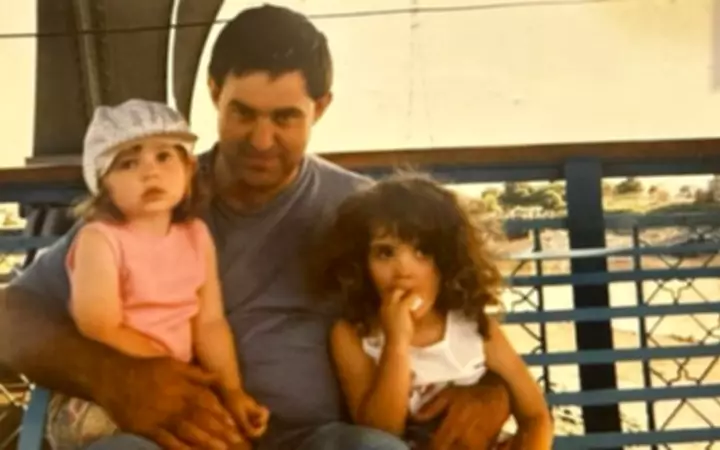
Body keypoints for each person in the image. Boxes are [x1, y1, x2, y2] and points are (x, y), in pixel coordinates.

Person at [0, 4, 512, 449]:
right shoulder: (148, 205)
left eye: (285, 118)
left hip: (320, 439)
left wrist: (494, 390)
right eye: (242, 113)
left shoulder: (367, 214)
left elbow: (454, 314)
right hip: (176, 439)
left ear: (321, 108)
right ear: (214, 92)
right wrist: (115, 377)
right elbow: (11, 315)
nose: (261, 141)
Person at [46, 99, 268, 449]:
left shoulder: (195, 236)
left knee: (231, 440)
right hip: (106, 393)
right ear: (104, 184)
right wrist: (174, 374)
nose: (150, 173)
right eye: (128, 163)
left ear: (188, 169)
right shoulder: (100, 238)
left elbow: (209, 323)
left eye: (164, 156)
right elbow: (99, 324)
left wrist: (231, 390)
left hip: (175, 384)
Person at [316, 174, 553, 449]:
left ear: (446, 260)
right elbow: (380, 433)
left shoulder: (475, 327)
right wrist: (397, 343)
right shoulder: (352, 335)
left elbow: (536, 416)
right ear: (361, 263)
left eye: (422, 252)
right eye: (385, 253)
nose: (403, 271)